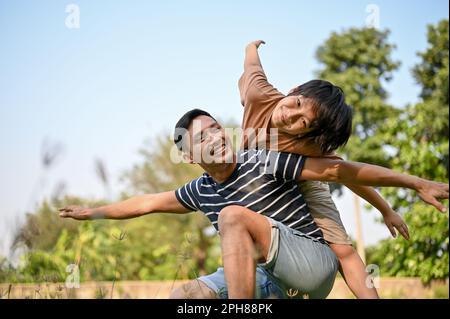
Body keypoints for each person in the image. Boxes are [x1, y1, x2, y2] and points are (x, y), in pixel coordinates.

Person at [59, 110, 449, 299]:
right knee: (184, 298)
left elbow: (340, 171)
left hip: (310, 263)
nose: (216, 136)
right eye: (203, 137)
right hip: (262, 280)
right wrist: (92, 212)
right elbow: (145, 203)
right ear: (190, 156)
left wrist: (412, 184)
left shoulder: (261, 159)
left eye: (216, 128)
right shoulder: (199, 190)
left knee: (232, 217)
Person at [236, 39, 423, 298]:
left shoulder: (311, 147)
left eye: (303, 122)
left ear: (310, 134)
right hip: (265, 175)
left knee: (342, 250)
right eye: (298, 103)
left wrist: (386, 209)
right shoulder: (259, 94)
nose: (291, 116)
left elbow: (346, 173)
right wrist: (251, 48)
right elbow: (252, 66)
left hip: (305, 178)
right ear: (294, 90)